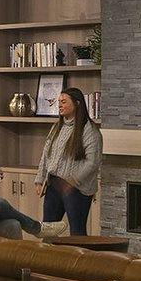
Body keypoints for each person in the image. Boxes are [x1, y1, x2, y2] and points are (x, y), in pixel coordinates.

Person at [35, 87, 103, 236]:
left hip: (77, 189)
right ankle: (47, 258)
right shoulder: (56, 127)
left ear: (77, 104)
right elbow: (46, 155)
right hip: (53, 184)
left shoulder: (89, 130)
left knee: (77, 232)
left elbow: (93, 162)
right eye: (59, 102)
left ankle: (79, 259)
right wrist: (40, 179)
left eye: (64, 102)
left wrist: (72, 180)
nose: (59, 105)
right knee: (47, 230)